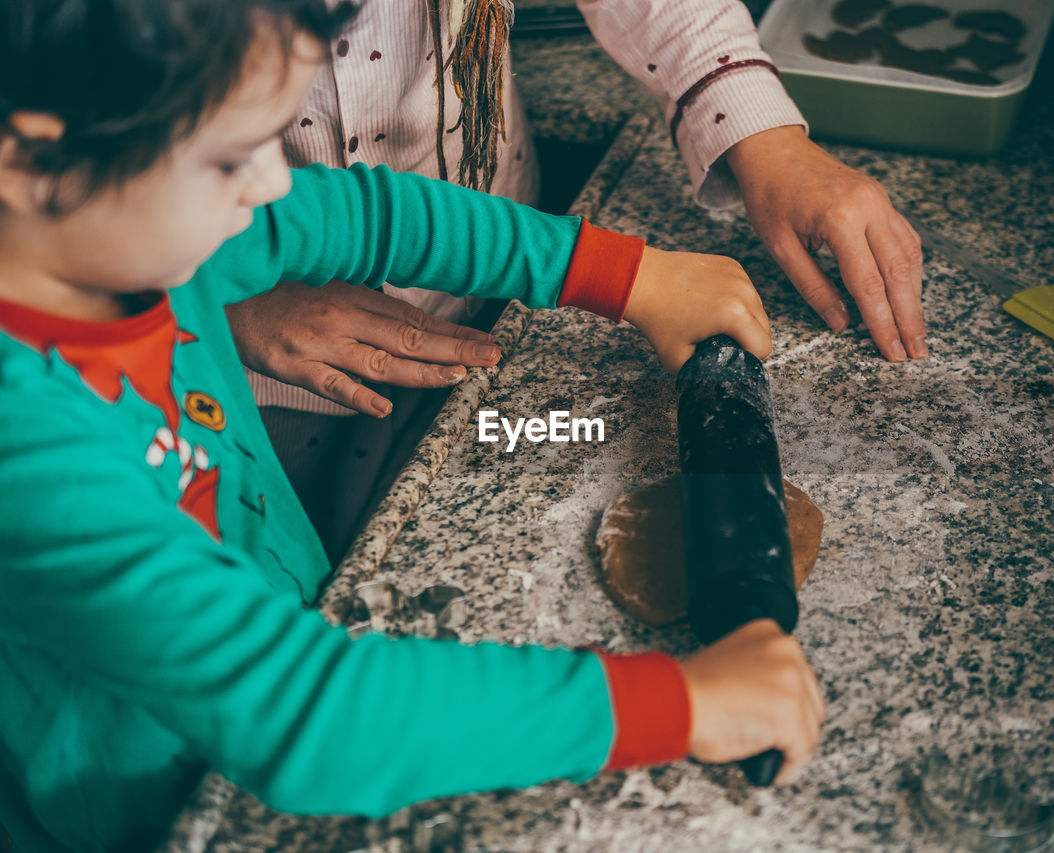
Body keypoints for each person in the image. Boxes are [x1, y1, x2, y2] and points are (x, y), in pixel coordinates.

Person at [0, 2, 826, 850]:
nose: (273, 181)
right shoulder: (31, 450)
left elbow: (368, 213)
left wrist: (624, 275)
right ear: (32, 160)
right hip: (153, 812)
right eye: (225, 158)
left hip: (265, 684)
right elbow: (301, 711)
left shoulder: (140, 248)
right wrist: (680, 702)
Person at [226, 0, 929, 561]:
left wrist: (764, 138)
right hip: (247, 372)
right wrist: (224, 289)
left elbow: (376, 216)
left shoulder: (352, 211)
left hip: (496, 283)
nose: (265, 186)